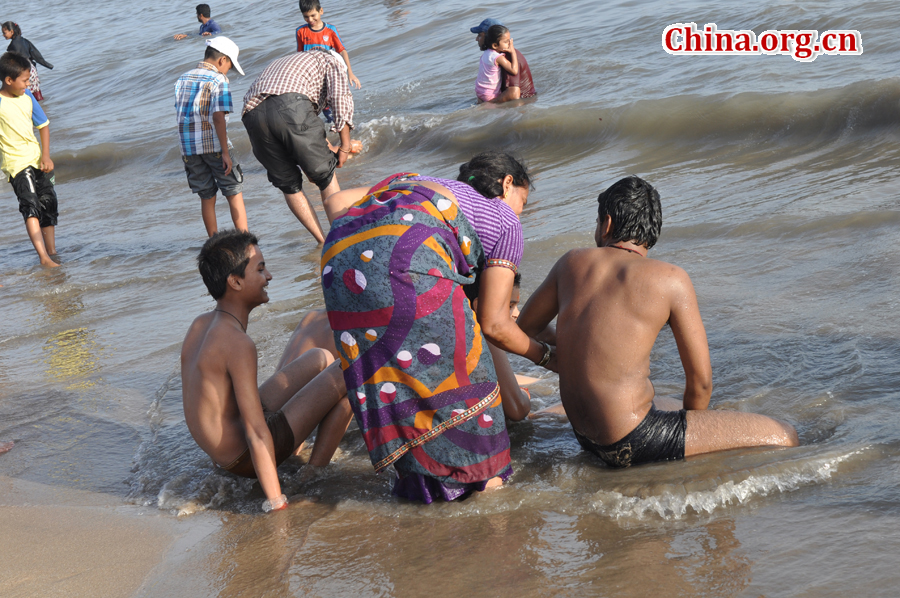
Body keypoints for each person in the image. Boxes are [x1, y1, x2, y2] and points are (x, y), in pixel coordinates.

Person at [516, 176, 799, 468]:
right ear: (653, 230)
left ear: (607, 224)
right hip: (632, 440)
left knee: (670, 402)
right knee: (784, 434)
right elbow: (701, 383)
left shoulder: (570, 262)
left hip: (586, 437)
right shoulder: (671, 279)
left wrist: (563, 351)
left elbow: (526, 327)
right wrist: (695, 431)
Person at [320, 153, 554, 503]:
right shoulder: (505, 219)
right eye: (523, 201)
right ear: (507, 184)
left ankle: (422, 496)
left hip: (338, 267)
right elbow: (493, 324)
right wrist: (549, 357)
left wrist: (374, 250)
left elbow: (336, 200)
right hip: (407, 264)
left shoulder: (416, 182)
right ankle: (484, 498)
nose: (520, 212)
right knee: (469, 396)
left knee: (402, 385)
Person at [181, 230, 348, 512]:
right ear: (234, 281)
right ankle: (311, 473)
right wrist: (276, 503)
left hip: (222, 453)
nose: (269, 276)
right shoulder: (237, 343)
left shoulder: (201, 324)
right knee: (350, 371)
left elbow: (205, 402)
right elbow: (257, 432)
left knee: (319, 357)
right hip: (242, 457)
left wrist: (218, 458)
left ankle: (293, 443)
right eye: (260, 269)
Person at [241, 49, 354, 244]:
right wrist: (344, 146)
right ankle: (342, 240)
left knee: (289, 185)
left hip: (252, 114)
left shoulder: (291, 59)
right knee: (325, 175)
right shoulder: (332, 62)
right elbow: (340, 99)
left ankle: (322, 241)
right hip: (290, 104)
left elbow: (301, 124)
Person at [175, 37, 248, 236]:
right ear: (222, 60)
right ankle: (246, 241)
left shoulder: (182, 79)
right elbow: (218, 117)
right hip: (214, 146)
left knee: (207, 197)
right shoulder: (219, 80)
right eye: (229, 66)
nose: (228, 71)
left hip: (189, 149)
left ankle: (214, 242)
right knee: (234, 191)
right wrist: (225, 151)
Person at [0, 51, 59, 268]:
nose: (28, 84)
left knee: (49, 203)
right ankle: (43, 257)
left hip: (37, 160)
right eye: (25, 80)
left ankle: (52, 252)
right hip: (16, 164)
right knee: (30, 206)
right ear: (9, 80)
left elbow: (43, 125)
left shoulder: (28, 98)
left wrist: (46, 155)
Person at [296, 0, 361, 89]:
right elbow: (299, 55)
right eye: (306, 16)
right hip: (310, 73)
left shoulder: (330, 30)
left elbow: (342, 51)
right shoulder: (300, 31)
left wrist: (350, 72)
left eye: (313, 15)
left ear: (321, 11)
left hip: (327, 71)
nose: (310, 19)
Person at [470, 18, 536, 102]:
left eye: (480, 35)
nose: (476, 39)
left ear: (488, 38)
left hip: (522, 105)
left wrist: (486, 105)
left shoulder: (508, 57)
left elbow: (513, 94)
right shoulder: (493, 55)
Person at [1, 22, 52, 101]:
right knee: (36, 91)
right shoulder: (25, 41)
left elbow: (13, 62)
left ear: (12, 31)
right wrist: (47, 65)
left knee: (26, 94)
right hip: (31, 69)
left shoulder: (13, 45)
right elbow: (36, 54)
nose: (3, 35)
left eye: (4, 33)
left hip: (22, 69)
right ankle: (43, 108)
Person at [475, 25, 518, 104]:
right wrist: (513, 52)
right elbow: (514, 70)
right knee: (499, 113)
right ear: (494, 45)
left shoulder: (486, 53)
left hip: (479, 90)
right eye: (506, 42)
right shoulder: (497, 57)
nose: (509, 44)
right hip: (489, 94)